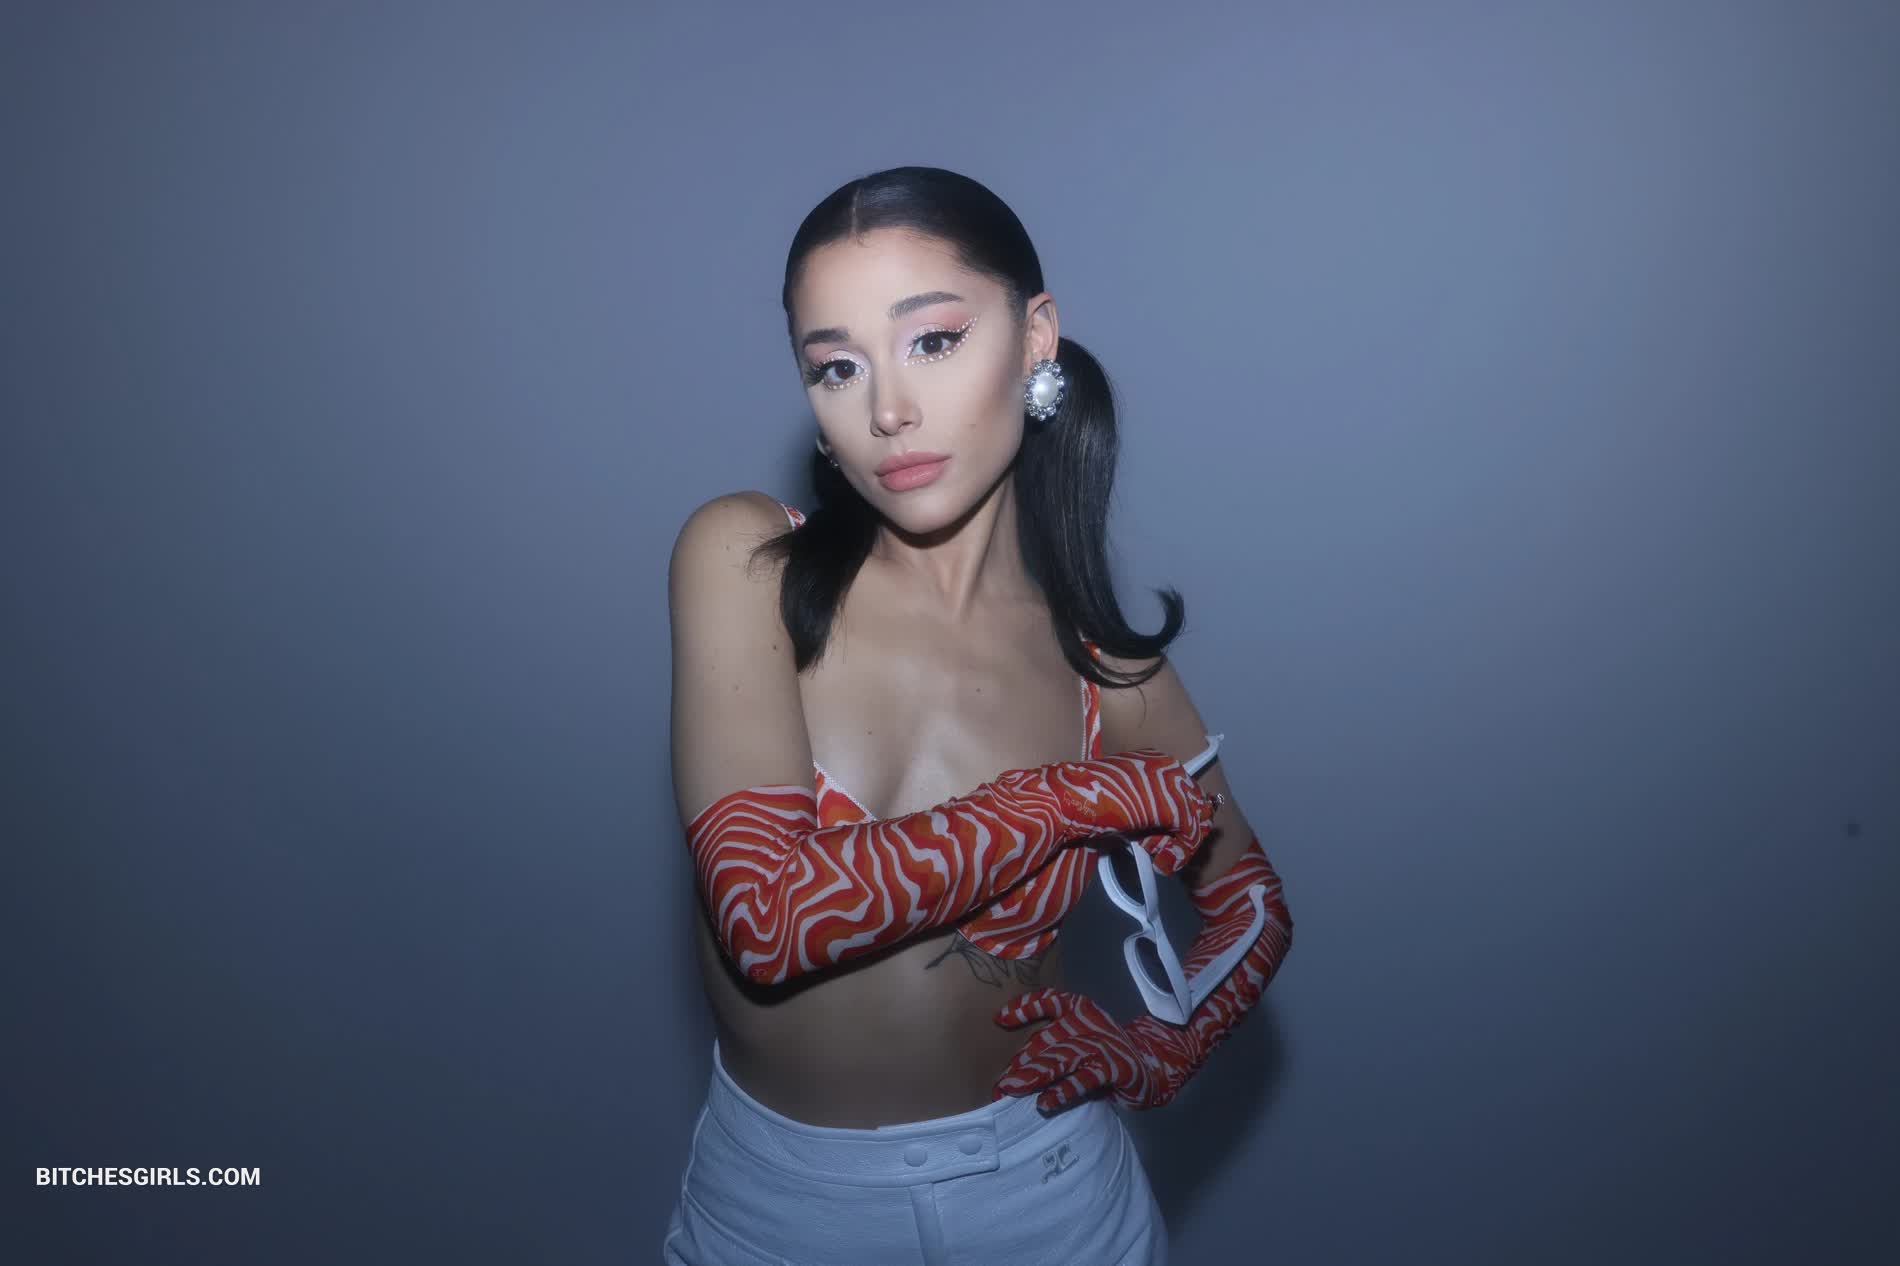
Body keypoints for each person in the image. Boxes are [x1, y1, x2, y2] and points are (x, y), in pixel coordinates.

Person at [663, 166, 1293, 1266]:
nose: (886, 409)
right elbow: (767, 919)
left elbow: (1250, 902)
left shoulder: (1106, 672)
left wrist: (1162, 1051)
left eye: (934, 341)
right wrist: (1072, 800)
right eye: (836, 366)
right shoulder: (744, 559)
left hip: (1054, 1199)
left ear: (1035, 336)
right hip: (784, 1214)